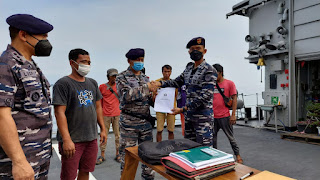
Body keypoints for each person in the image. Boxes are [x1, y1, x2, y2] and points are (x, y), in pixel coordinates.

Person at [0, 14, 53, 180]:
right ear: (23, 35)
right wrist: (19, 161)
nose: (46, 41)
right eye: (43, 36)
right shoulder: (7, 65)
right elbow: (2, 115)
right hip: (20, 161)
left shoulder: (29, 64)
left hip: (39, 155)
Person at [52, 48, 107, 180]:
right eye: (83, 62)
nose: (87, 65)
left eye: (89, 62)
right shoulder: (63, 84)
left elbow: (98, 107)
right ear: (72, 63)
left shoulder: (92, 83)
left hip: (91, 137)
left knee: (85, 171)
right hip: (73, 140)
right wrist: (66, 140)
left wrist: (103, 129)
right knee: (68, 176)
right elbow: (59, 112)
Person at [152, 37, 217, 146]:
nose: (195, 51)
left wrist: (183, 109)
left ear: (204, 51)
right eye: (192, 49)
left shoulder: (209, 70)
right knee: (189, 147)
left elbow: (205, 96)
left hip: (202, 119)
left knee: (204, 150)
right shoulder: (189, 68)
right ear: (189, 52)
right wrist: (159, 84)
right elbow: (176, 82)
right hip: (189, 118)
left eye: (198, 48)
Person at [116, 48, 156, 180]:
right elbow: (125, 96)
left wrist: (155, 98)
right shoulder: (121, 77)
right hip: (129, 125)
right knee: (128, 158)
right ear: (129, 61)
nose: (140, 62)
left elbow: (148, 99)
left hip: (146, 124)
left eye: (142, 60)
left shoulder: (145, 78)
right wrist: (147, 88)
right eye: (137, 60)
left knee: (149, 156)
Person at [212, 64, 243, 164]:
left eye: (215, 73)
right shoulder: (211, 84)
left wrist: (233, 115)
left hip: (225, 116)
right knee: (213, 138)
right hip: (213, 117)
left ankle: (237, 155)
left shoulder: (229, 84)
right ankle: (214, 157)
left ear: (220, 72)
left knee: (231, 138)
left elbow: (234, 99)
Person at [96, 68, 121, 165]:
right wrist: (99, 115)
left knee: (118, 136)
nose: (114, 78)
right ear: (108, 76)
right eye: (113, 76)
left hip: (117, 114)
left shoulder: (119, 87)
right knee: (103, 135)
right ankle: (102, 155)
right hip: (105, 115)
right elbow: (98, 103)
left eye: (116, 76)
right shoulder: (102, 87)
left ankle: (118, 154)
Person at [155, 65, 177, 142]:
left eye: (168, 71)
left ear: (171, 72)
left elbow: (176, 96)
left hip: (171, 108)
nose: (167, 73)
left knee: (171, 130)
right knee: (159, 129)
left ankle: (170, 146)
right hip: (160, 107)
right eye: (165, 71)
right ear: (162, 72)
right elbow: (153, 95)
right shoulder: (157, 82)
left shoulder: (174, 83)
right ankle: (158, 146)